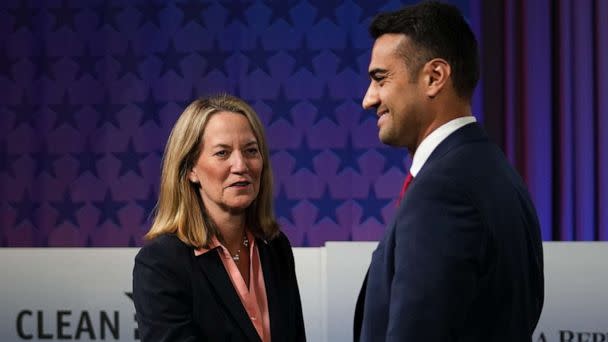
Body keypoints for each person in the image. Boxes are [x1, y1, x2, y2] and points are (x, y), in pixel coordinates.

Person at [353, 2, 544, 341]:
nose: (369, 99)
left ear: (434, 77)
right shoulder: (498, 172)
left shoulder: (442, 190)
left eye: (380, 79)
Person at [133, 94, 306, 342]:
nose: (241, 165)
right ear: (191, 168)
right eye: (222, 153)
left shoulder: (276, 247)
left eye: (251, 151)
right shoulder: (161, 263)